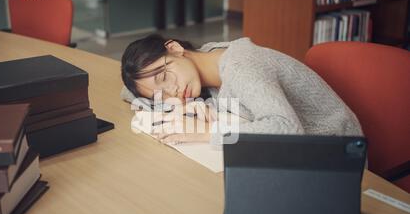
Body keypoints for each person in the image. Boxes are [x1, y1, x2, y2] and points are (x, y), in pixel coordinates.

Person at [120, 34, 363, 145]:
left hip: (334, 152)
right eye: (161, 94)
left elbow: (287, 128)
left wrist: (205, 131)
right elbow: (126, 91)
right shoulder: (204, 59)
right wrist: (178, 105)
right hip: (289, 155)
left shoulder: (239, 66)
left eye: (164, 76)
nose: (172, 90)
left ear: (173, 48)